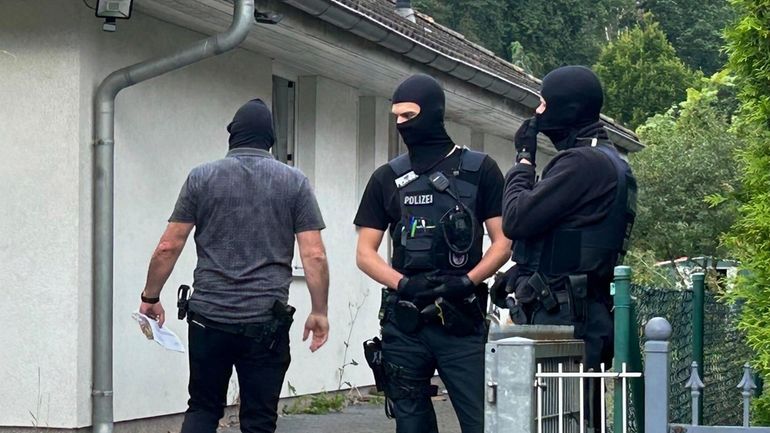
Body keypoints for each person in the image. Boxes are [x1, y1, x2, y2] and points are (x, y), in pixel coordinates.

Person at [137, 99, 330, 433]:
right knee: (258, 419)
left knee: (202, 408)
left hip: (209, 319)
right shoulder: (294, 182)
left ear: (232, 137)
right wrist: (319, 310)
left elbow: (168, 246)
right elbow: (314, 256)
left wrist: (150, 296)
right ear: (271, 140)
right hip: (265, 322)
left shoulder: (201, 177)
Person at [355, 74, 511, 433]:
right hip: (405, 323)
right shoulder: (387, 178)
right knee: (410, 424)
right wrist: (403, 284)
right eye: (395, 116)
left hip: (461, 318)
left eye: (408, 116)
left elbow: (502, 242)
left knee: (481, 422)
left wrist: (467, 280)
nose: (400, 124)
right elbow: (365, 252)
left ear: (433, 113)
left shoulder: (479, 171)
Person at [499, 65, 637, 427]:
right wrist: (524, 267)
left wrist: (523, 160)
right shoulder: (609, 160)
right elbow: (572, 237)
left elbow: (515, 218)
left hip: (563, 316)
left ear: (569, 109)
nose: (538, 115)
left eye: (543, 105)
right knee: (575, 418)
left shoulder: (581, 163)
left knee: (555, 419)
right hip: (582, 308)